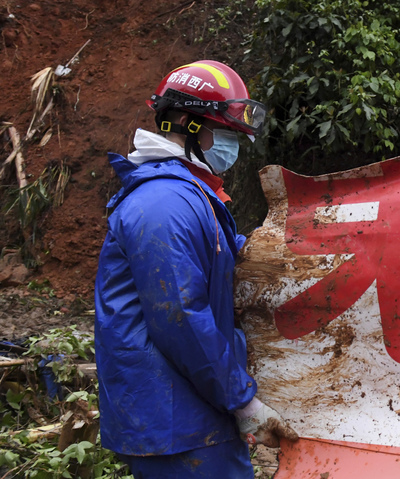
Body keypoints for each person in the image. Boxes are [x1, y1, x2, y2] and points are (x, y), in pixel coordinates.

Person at [94, 60, 298, 478]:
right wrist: (242, 400)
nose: (232, 146)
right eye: (224, 133)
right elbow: (181, 317)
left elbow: (221, 263)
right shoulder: (164, 204)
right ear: (187, 124)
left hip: (189, 413)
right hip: (176, 420)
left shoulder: (188, 195)